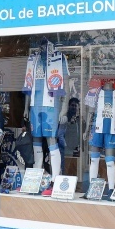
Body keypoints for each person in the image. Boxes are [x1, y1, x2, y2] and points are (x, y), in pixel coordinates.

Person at [23, 39, 69, 177]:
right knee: (36, 139)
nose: (43, 47)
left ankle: (55, 177)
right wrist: (26, 107)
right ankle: (36, 176)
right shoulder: (33, 60)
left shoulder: (59, 58)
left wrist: (64, 109)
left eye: (46, 45)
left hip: (51, 106)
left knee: (51, 139)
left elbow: (66, 84)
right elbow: (28, 85)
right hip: (35, 105)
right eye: (41, 45)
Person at [85, 81, 115, 198]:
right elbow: (90, 112)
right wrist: (86, 130)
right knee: (94, 160)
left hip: (111, 131)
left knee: (109, 162)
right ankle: (91, 188)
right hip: (96, 130)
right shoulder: (96, 93)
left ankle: (111, 189)